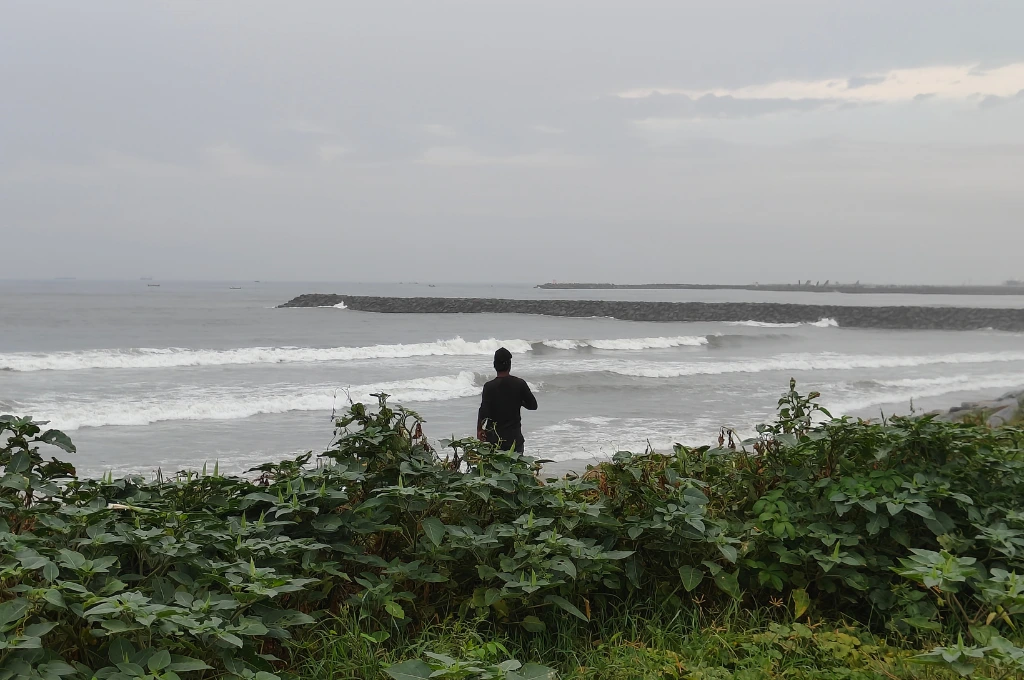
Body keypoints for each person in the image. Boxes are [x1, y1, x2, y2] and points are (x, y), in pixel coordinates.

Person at [477, 347, 538, 452]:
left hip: (494, 440)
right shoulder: (519, 384)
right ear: (510, 365)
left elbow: (484, 412)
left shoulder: (489, 387)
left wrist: (479, 429)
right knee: (517, 468)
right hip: (514, 441)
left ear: (494, 365)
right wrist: (519, 401)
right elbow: (533, 406)